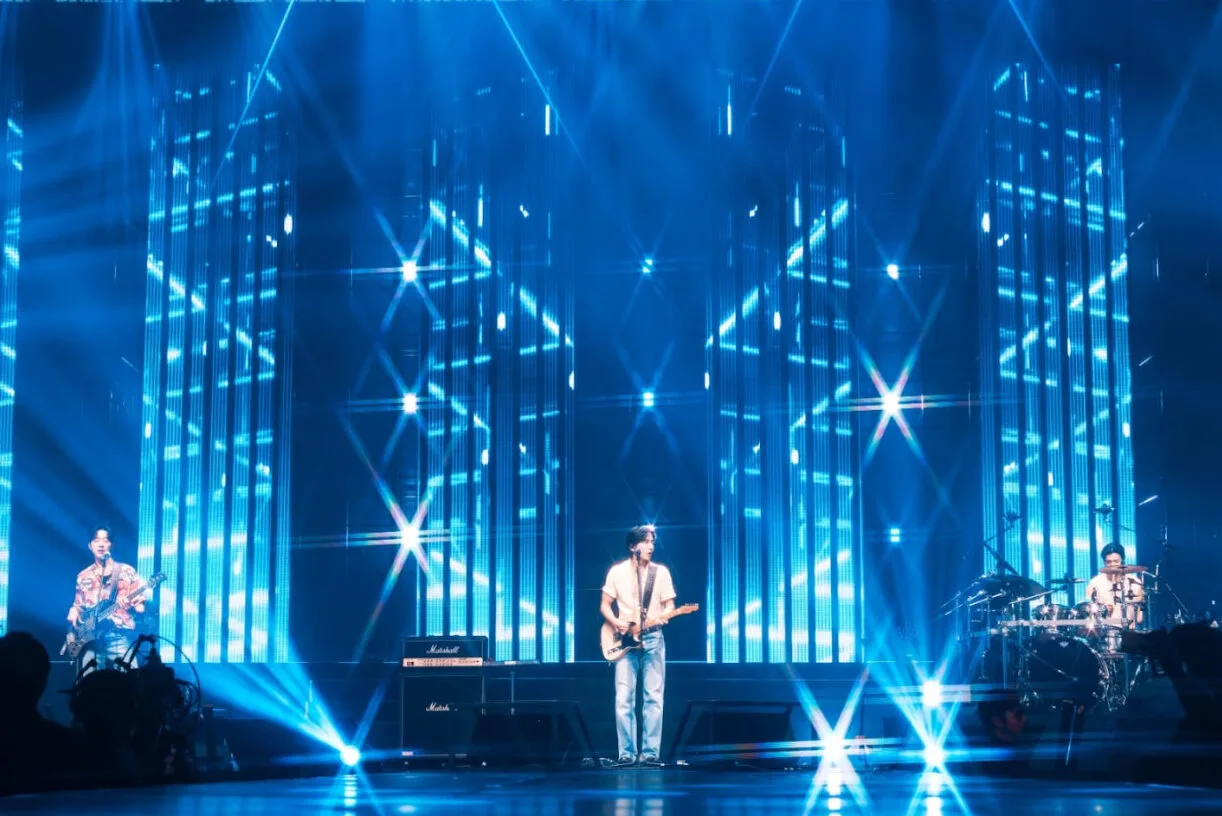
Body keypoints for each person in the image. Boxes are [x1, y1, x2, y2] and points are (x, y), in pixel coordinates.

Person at [600, 524, 675, 767]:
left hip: (653, 638)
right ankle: (627, 754)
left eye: (652, 542)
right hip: (624, 640)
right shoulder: (617, 572)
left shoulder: (660, 573)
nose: (651, 546)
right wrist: (616, 622)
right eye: (646, 541)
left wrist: (665, 615)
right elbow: (604, 604)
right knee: (624, 698)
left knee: (654, 697)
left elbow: (670, 606)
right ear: (633, 546)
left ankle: (650, 753)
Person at [67, 527, 150, 673]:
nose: (101, 545)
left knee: (130, 676)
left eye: (105, 541)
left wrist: (134, 605)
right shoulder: (83, 576)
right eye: (96, 541)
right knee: (88, 680)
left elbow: (140, 607)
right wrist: (74, 609)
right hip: (91, 638)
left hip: (117, 635)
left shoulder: (126, 571)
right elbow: (79, 604)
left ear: (112, 545)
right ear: (90, 545)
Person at [1086, 543, 1145, 627]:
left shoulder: (1135, 583)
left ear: (1122, 560)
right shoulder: (1094, 583)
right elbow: (1088, 611)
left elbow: (1140, 613)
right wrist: (1101, 610)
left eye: (1116, 561)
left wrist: (1135, 623)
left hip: (1129, 630)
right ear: (1104, 562)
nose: (1112, 564)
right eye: (1108, 562)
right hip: (1103, 630)